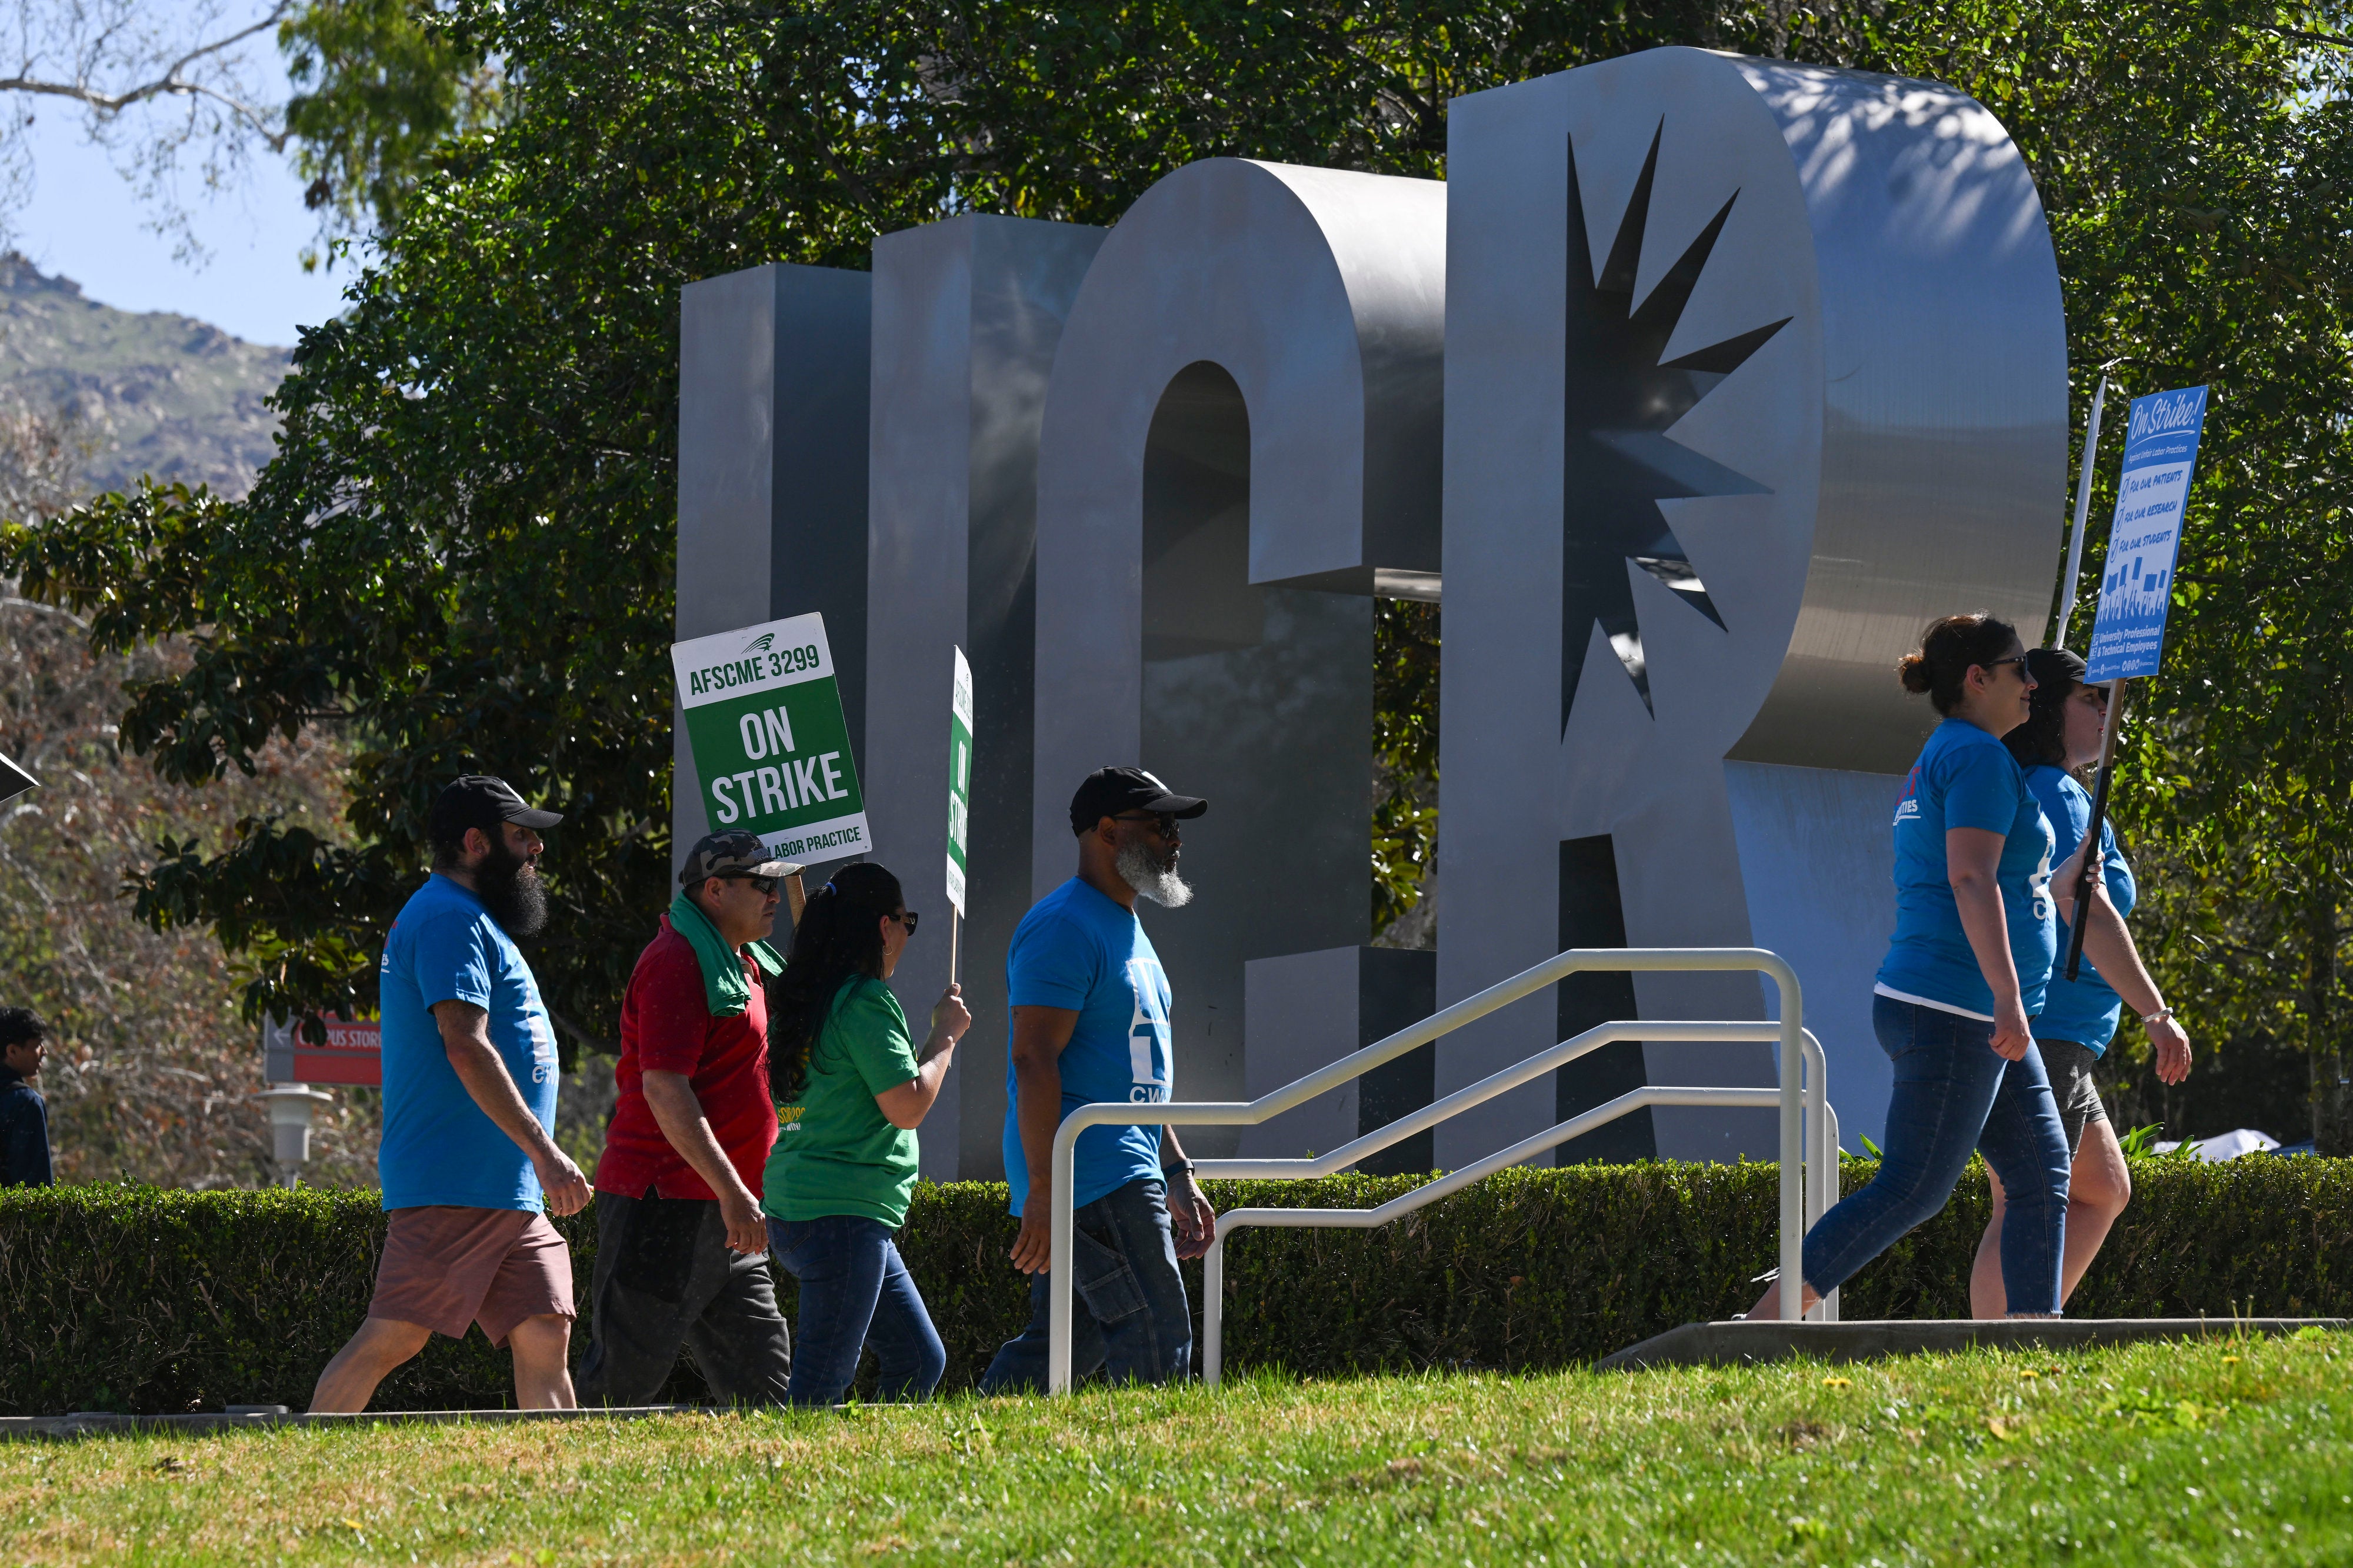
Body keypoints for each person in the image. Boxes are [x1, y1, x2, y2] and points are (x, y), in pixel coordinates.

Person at [1751, 615, 2072, 1320]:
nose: (2033, 681)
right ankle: (1764, 1322)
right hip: (1958, 1006)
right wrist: (2006, 995)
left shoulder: (1951, 749)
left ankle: (2031, 1342)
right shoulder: (1979, 758)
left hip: (1954, 1003)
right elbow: (1969, 877)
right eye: (2019, 667)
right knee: (1913, 1185)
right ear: (1976, 679)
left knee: (2041, 1173)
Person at [310, 775, 592, 1413]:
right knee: (394, 1336)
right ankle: (304, 1458)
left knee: (546, 1327)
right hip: (455, 1182)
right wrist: (546, 1152)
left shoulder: (472, 919)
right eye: (521, 836)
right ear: (475, 842)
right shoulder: (446, 917)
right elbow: (464, 1044)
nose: (535, 850)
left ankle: (565, 1494)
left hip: (506, 1188)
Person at [1968, 647, 2194, 1316]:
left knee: (2102, 1188)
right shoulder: (2058, 792)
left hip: (2051, 1033)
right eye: (2091, 698)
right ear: (2045, 706)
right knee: (2025, 1196)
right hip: (2049, 1029)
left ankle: (2016, 1338)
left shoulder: (2043, 785)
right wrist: (2157, 1013)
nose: (2108, 712)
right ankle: (1997, 1354)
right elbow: (2084, 908)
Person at [979, 767, 1219, 1393]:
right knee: (1158, 1334)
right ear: (1108, 832)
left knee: (1063, 1340)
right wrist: (1044, 1188)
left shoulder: (1127, 926)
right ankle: (1155, 1477)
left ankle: (970, 1448)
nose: (1175, 840)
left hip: (1122, 1162)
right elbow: (1032, 1059)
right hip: (1091, 1168)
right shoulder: (1063, 925)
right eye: (1161, 824)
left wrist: (1177, 1168)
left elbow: (1138, 1073)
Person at [576, 831, 799, 1406]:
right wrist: (731, 1191)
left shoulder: (742, 959)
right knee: (617, 1390)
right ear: (716, 889)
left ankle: (776, 1493)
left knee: (767, 1392)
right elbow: (664, 1089)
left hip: (728, 1211)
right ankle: (570, 1490)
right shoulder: (676, 959)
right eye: (762, 884)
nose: (774, 895)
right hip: (665, 1207)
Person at [761, 861, 969, 1406]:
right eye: (908, 922)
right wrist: (945, 1036)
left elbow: (887, 1092)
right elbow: (907, 1105)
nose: (907, 935)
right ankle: (785, 1485)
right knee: (818, 1391)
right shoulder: (865, 1001)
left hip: (805, 1213)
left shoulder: (805, 999)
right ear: (884, 927)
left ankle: (877, 1479)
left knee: (921, 1358)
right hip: (843, 1220)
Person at [0, 1008, 53, 1187]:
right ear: (12, 1051)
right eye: (37, 1045)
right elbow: (36, 1190)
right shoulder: (25, 1103)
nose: (44, 1052)